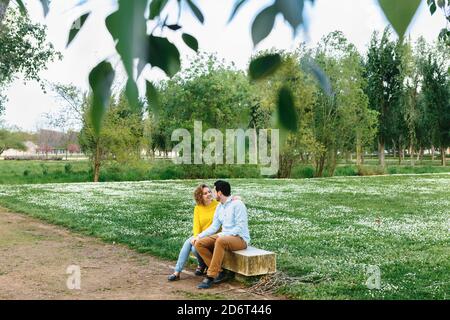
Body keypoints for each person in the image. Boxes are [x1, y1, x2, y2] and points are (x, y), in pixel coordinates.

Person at [168, 184, 241, 281]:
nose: (209, 194)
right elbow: (196, 225)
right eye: (205, 193)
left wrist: (237, 198)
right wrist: (196, 236)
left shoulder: (218, 205)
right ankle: (177, 271)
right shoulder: (198, 208)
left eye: (210, 192)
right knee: (191, 243)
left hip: (215, 235)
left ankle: (201, 266)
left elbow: (227, 199)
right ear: (200, 196)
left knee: (194, 248)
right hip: (203, 235)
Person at [193, 180, 250, 289]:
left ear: (219, 193)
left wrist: (225, 235)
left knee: (220, 240)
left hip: (240, 239)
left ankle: (210, 276)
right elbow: (214, 227)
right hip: (224, 236)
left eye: (213, 191)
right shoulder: (220, 206)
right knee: (199, 243)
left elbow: (240, 227)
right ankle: (220, 272)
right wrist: (199, 236)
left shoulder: (237, 204)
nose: (212, 194)